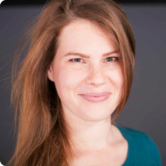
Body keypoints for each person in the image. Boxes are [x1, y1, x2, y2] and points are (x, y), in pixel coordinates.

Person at [7, 0, 162, 166]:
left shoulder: (146, 149)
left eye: (110, 58)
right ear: (49, 67)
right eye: (77, 60)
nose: (97, 78)